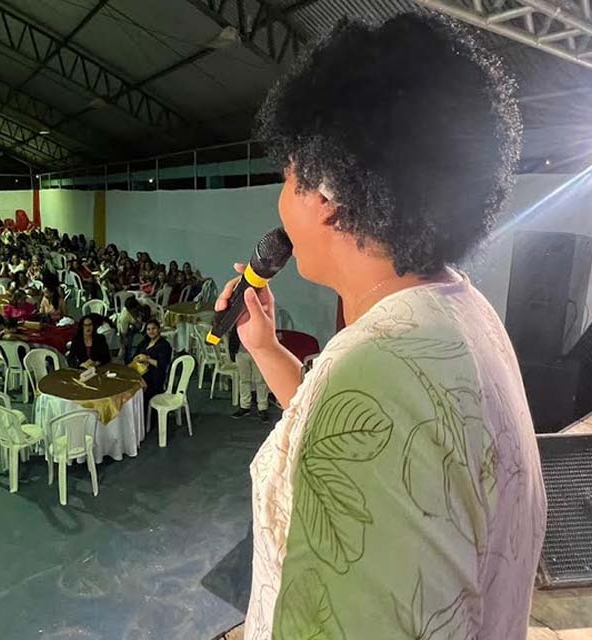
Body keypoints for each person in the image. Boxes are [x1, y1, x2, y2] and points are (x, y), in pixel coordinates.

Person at [220, 15, 546, 640]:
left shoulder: (380, 369)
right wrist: (264, 348)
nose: (281, 200)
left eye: (288, 175)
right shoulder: (458, 311)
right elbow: (347, 431)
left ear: (327, 198)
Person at [229, 331, 269, 422]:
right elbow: (233, 334)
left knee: (260, 380)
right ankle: (244, 406)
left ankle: (263, 408)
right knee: (244, 380)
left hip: (258, 352)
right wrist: (232, 351)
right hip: (240, 351)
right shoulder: (237, 321)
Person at [132, 319, 172, 405]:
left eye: (154, 328)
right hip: (141, 371)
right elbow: (135, 356)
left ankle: (143, 409)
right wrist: (137, 358)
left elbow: (162, 365)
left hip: (155, 376)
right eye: (148, 329)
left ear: (159, 329)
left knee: (136, 385)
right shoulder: (145, 342)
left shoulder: (164, 345)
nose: (151, 331)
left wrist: (147, 359)